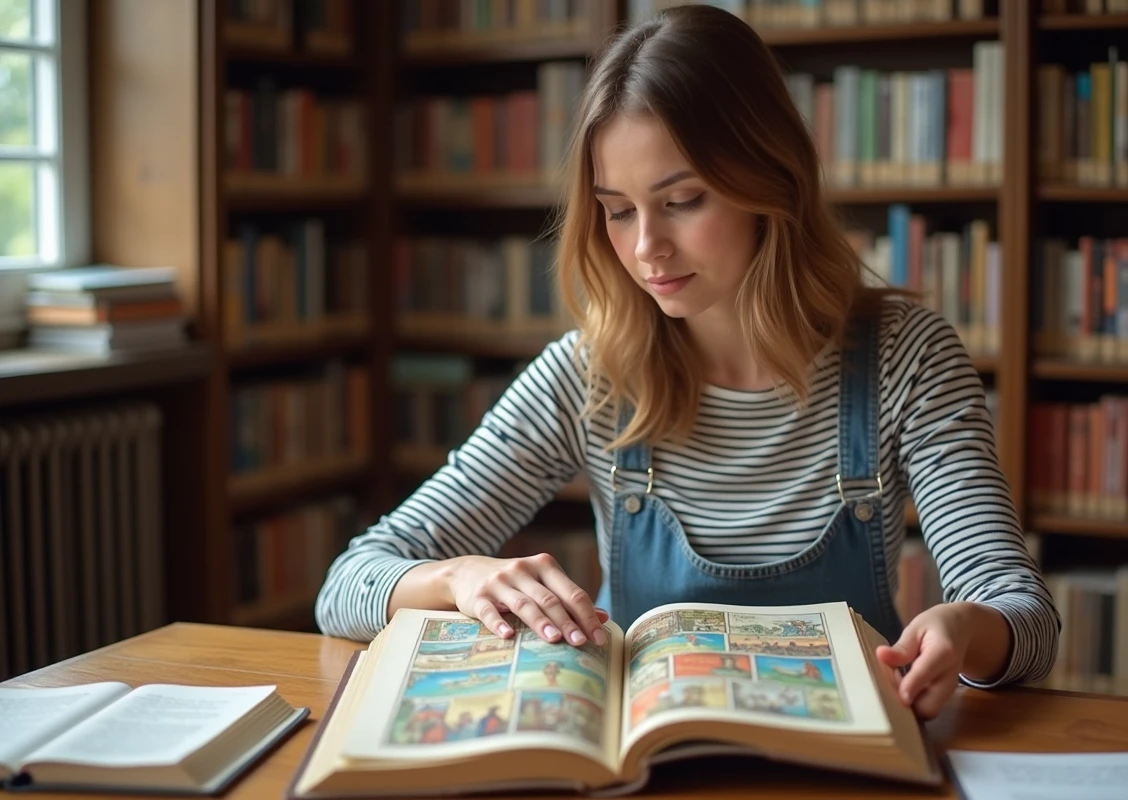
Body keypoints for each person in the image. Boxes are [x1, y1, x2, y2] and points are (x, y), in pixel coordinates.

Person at [316, 4, 1059, 721]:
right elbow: (347, 584)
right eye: (618, 209)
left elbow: (1023, 617)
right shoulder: (589, 376)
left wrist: (966, 629)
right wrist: (456, 576)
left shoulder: (908, 357)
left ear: (771, 180)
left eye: (683, 200)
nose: (646, 250)